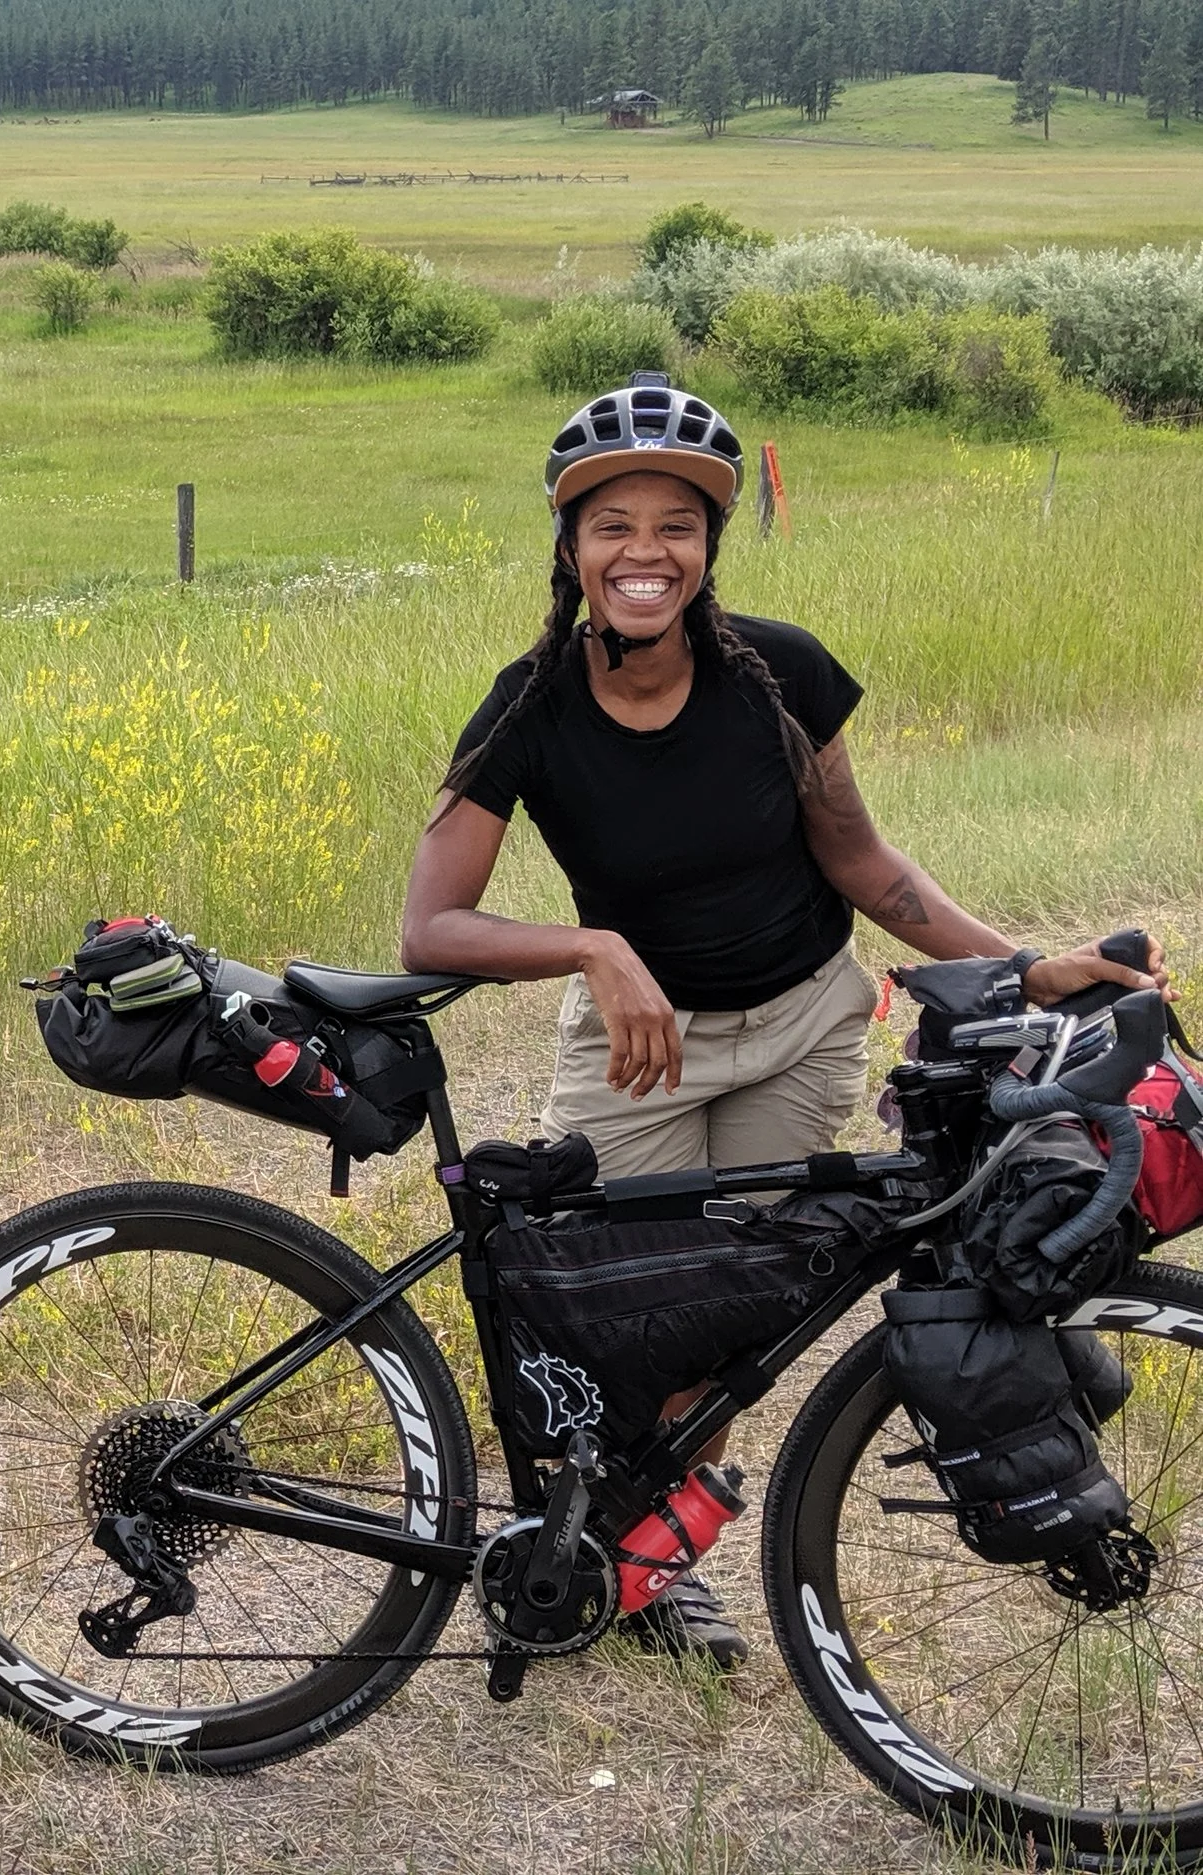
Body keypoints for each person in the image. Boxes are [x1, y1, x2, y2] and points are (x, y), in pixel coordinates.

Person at [398, 375, 1161, 1667]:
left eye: (676, 525)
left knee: (743, 1323)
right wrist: (592, 947)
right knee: (626, 1321)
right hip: (638, 1051)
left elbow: (865, 866)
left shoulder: (782, 675)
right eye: (612, 525)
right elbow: (431, 926)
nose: (643, 553)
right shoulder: (529, 704)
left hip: (800, 1027)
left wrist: (1025, 967)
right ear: (570, 548)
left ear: (710, 545)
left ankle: (653, 1564)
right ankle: (593, 1533)